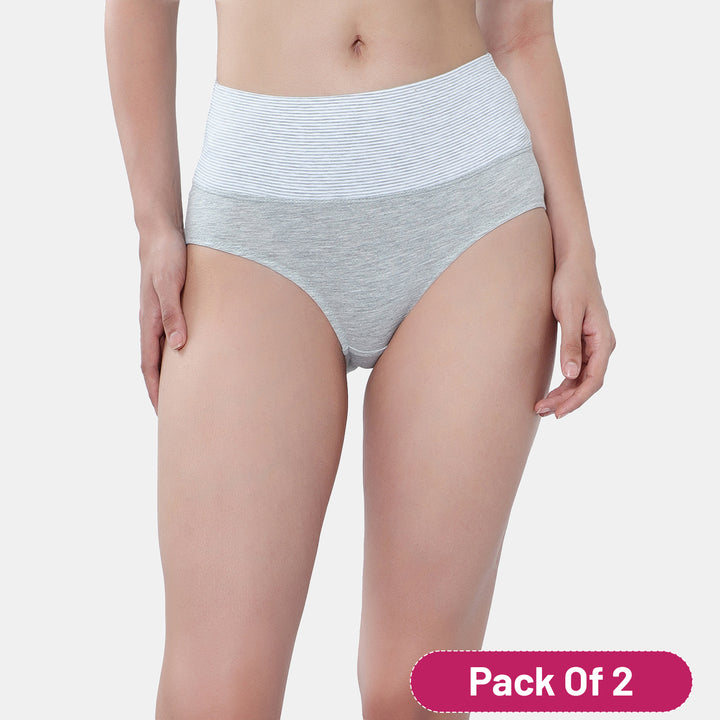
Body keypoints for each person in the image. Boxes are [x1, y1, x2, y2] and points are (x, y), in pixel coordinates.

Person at [105, 0, 616, 717]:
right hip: (256, 217)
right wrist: (154, 224)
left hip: (474, 208)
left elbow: (523, 32)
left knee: (415, 687)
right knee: (215, 696)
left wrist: (579, 247)